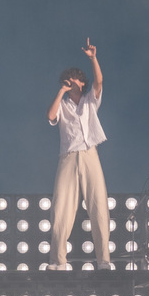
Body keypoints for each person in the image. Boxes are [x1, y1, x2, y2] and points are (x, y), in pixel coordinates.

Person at [47, 38, 113, 271]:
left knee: (98, 206)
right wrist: (61, 90)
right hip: (67, 157)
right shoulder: (63, 103)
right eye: (68, 79)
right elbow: (51, 116)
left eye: (74, 78)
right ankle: (57, 261)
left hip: (89, 154)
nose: (71, 81)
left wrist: (93, 58)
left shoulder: (89, 102)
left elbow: (100, 81)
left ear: (81, 82)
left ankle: (103, 261)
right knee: (61, 207)